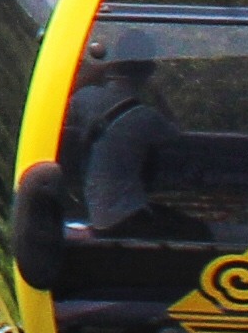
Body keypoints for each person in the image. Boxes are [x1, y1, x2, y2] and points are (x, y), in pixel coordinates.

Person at [77, 41, 203, 239]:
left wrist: (96, 70)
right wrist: (157, 93)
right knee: (198, 232)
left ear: (113, 64)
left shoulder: (87, 98)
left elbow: (63, 99)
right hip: (127, 215)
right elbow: (176, 134)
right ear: (148, 72)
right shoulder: (146, 117)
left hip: (92, 212)